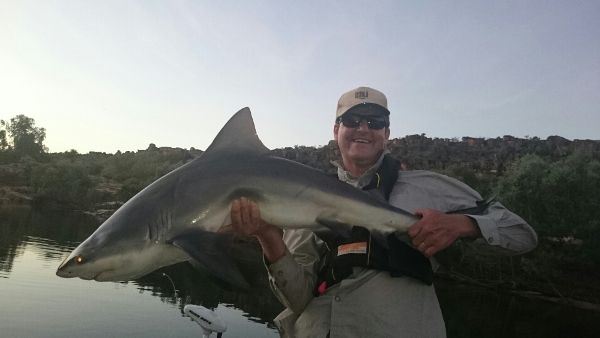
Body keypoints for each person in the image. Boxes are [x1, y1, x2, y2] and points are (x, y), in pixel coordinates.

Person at [229, 86, 538, 338]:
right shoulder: (298, 200)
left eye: (375, 122)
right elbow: (297, 299)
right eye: (352, 120)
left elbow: (521, 235)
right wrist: (267, 236)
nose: (363, 128)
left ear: (387, 133)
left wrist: (463, 224)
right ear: (336, 130)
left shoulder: (430, 187)